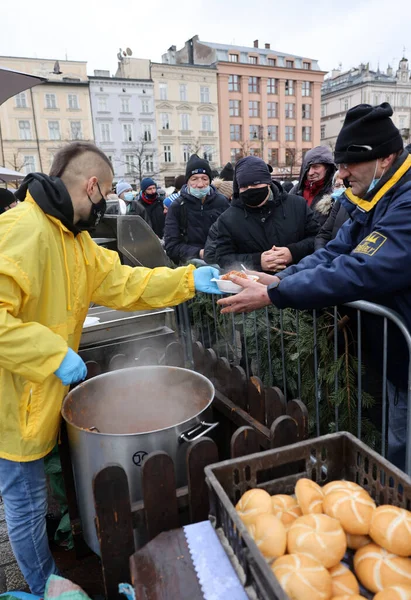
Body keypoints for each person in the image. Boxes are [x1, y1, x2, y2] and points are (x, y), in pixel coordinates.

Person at [0, 141, 220, 596]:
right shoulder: (21, 229)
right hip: (10, 402)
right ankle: (47, 590)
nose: (101, 210)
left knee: (34, 497)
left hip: (36, 395)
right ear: (93, 186)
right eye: (101, 201)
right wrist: (52, 353)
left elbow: (124, 282)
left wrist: (186, 280)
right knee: (24, 501)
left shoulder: (74, 239)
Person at [219, 102, 411, 472]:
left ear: (383, 160)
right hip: (398, 358)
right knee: (396, 443)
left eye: (346, 165)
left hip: (405, 353)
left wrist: (275, 294)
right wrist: (280, 279)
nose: (339, 176)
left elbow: (359, 269)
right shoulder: (377, 196)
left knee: (404, 457)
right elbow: (337, 251)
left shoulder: (405, 202)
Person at [211, 156, 319, 271]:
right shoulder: (228, 219)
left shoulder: (298, 205)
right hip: (255, 284)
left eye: (255, 184)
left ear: (268, 182)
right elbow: (223, 258)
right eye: (244, 186)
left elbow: (317, 238)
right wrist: (257, 262)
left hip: (298, 279)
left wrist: (293, 252)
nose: (250, 189)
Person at [164, 154, 229, 265]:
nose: (200, 184)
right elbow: (171, 247)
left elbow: (232, 235)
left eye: (204, 179)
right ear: (187, 181)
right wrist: (199, 253)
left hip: (220, 263)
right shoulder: (177, 207)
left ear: (210, 180)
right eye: (194, 179)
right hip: (190, 266)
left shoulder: (222, 202)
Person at [291, 146, 337, 225]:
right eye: (307, 168)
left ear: (328, 168)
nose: (310, 173)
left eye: (316, 167)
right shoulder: (296, 190)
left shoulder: (335, 193)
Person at [315, 171, 350, 250]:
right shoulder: (322, 206)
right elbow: (323, 235)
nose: (341, 189)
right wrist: (320, 252)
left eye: (344, 186)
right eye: (337, 185)